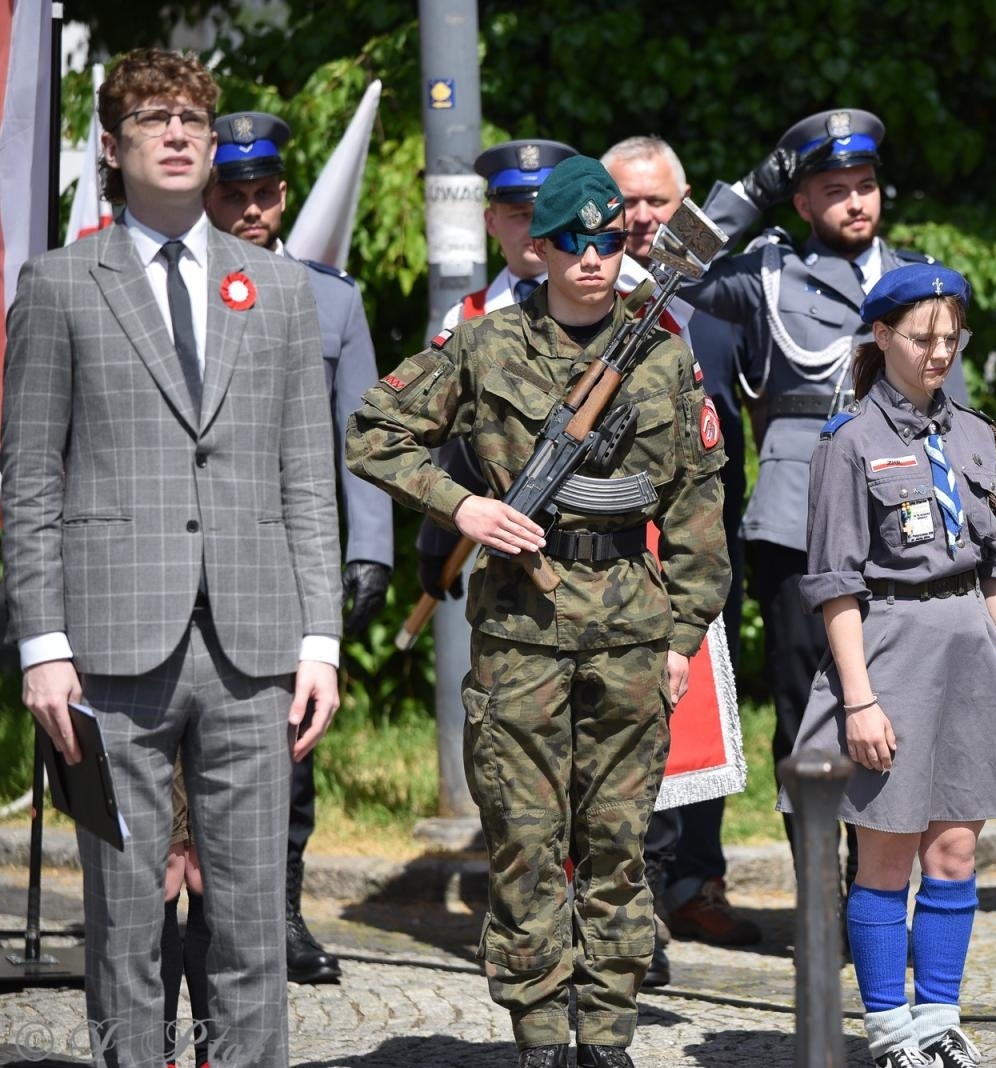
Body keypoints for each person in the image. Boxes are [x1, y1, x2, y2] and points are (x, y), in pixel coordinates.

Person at [346, 155, 730, 1068]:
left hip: (633, 635)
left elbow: (695, 507)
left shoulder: (662, 351)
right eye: (572, 243)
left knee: (618, 845)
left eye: (608, 241)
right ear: (538, 250)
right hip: (520, 632)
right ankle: (538, 1035)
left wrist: (682, 637)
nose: (593, 259)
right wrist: (463, 506)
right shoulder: (485, 347)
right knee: (524, 842)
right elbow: (374, 431)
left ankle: (604, 1039)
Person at [2, 47, 343, 1068]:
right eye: (154, 116)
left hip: (254, 645)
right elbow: (28, 478)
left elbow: (305, 477)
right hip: (109, 646)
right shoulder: (59, 285)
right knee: (122, 923)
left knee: (249, 922)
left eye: (193, 113)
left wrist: (320, 637)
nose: (182, 131)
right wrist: (41, 643)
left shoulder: (278, 289)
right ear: (113, 146)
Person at [680, 108, 961, 894]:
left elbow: (954, 419)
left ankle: (874, 887)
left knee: (896, 709)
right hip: (796, 524)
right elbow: (669, 270)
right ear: (801, 202)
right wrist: (748, 193)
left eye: (865, 186)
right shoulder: (766, 273)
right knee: (808, 712)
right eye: (833, 190)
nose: (855, 203)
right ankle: (818, 896)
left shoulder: (919, 280)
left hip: (900, 530)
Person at [778, 263, 996, 1068]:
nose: (939, 353)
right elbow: (835, 584)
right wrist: (859, 700)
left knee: (954, 852)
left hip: (971, 658)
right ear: (882, 335)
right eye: (922, 337)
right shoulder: (848, 443)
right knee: (886, 856)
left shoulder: (976, 434)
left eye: (950, 338)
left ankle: (940, 1019)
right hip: (890, 653)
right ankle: (889, 1030)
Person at [201, 108, 395, 985]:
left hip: (287, 557)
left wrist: (374, 550)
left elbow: (363, 434)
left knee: (292, 737)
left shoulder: (331, 297)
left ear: (284, 193)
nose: (250, 207)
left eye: (264, 191)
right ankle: (197, 908)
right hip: (189, 550)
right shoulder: (177, 285)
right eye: (231, 192)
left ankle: (279, 911)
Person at [601, 136, 763, 963]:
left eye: (656, 203)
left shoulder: (724, 300)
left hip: (704, 545)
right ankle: (636, 897)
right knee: (631, 727)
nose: (639, 219)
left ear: (686, 202)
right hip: (614, 552)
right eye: (625, 202)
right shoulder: (584, 296)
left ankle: (697, 882)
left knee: (709, 714)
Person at [419, 138, 581, 826]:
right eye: (519, 213)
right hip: (517, 569)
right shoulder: (468, 320)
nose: (534, 229)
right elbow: (444, 441)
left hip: (608, 558)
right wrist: (439, 532)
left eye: (549, 212)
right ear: (493, 221)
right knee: (521, 762)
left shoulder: (612, 304)